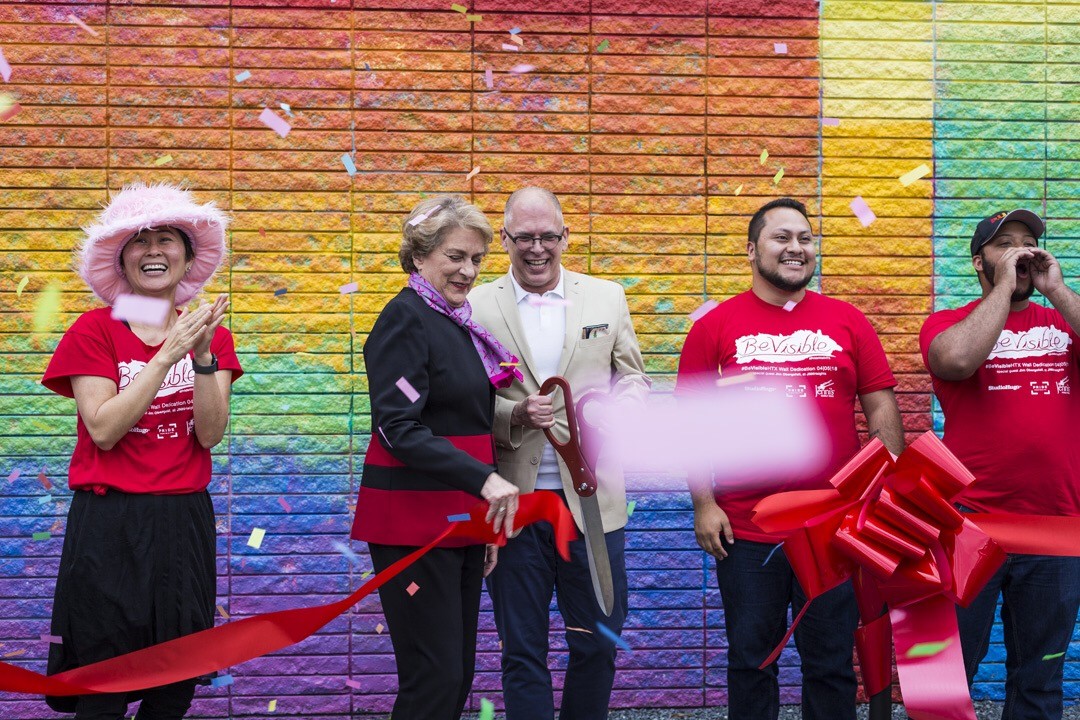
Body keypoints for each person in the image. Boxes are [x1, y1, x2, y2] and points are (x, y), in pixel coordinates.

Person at [675, 197, 904, 720]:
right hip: (746, 530)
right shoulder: (715, 326)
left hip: (833, 528)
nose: (796, 247)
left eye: (804, 237)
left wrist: (883, 494)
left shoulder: (848, 322)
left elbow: (880, 410)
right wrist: (703, 504)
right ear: (752, 250)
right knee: (752, 661)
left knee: (829, 664)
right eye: (781, 237)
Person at [41, 182, 242, 720]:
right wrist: (164, 356)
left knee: (174, 685)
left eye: (167, 239)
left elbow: (210, 434)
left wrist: (199, 359)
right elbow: (104, 429)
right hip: (110, 524)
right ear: (122, 259)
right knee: (103, 688)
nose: (154, 251)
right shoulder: (93, 330)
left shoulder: (210, 334)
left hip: (183, 523)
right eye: (140, 240)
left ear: (188, 254)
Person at [469, 186, 651, 720]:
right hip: (514, 505)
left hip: (594, 502)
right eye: (523, 237)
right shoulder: (475, 305)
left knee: (596, 641)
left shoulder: (607, 298)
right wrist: (513, 416)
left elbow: (635, 379)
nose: (537, 248)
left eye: (548, 236)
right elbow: (460, 403)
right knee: (522, 652)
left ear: (565, 236)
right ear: (504, 239)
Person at [349, 195, 521, 720]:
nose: (468, 271)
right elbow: (398, 426)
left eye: (475, 259)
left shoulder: (454, 321)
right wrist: (486, 482)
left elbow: (464, 424)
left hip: (458, 518)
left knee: (456, 675)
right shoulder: (405, 320)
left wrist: (482, 521)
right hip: (412, 525)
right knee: (434, 677)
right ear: (419, 257)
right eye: (455, 256)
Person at [919, 209, 1080, 720]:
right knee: (942, 677)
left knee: (1040, 678)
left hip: (1056, 524)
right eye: (1005, 244)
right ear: (979, 262)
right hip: (968, 523)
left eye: (1029, 242)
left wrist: (1055, 289)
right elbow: (956, 362)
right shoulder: (947, 323)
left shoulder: (1065, 320)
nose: (1021, 250)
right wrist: (1003, 287)